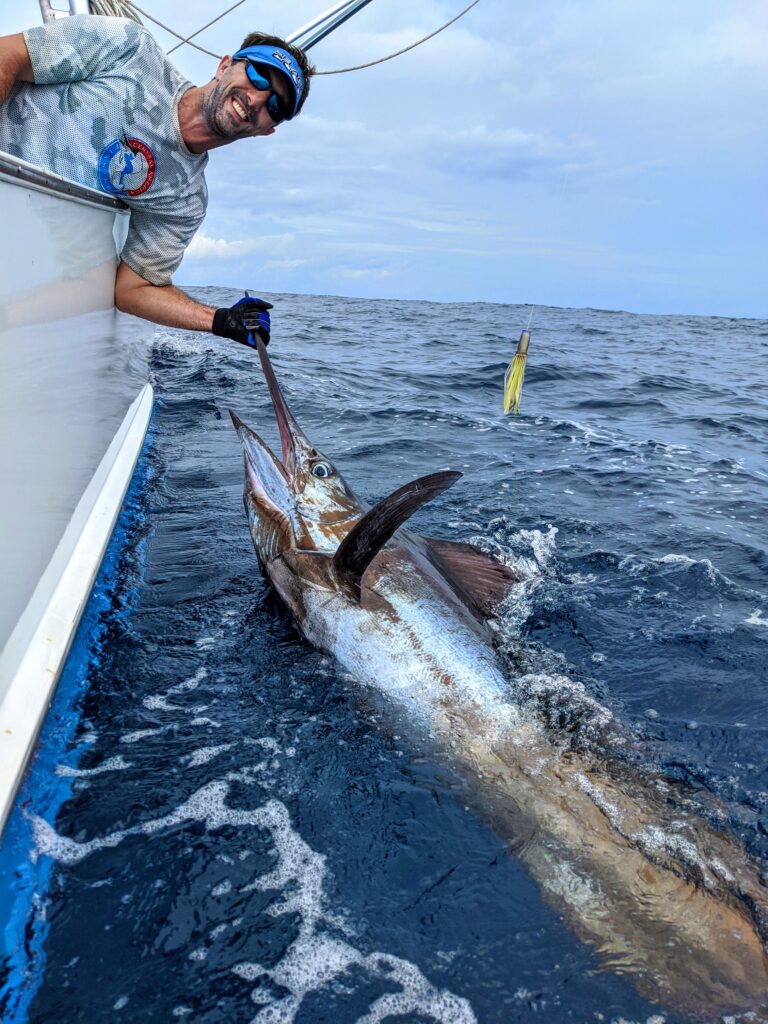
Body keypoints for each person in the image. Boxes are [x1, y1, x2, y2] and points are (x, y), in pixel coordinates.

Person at [0, 14, 314, 346]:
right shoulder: (131, 48)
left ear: (267, 131)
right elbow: (11, 54)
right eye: (258, 76)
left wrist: (222, 321)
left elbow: (133, 289)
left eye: (276, 106)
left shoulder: (186, 201)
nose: (258, 98)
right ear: (224, 66)